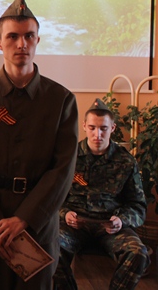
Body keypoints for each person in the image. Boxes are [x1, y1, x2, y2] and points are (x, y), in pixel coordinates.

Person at [0, 0, 79, 289]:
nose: (21, 44)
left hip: (37, 222)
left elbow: (63, 170)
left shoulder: (61, 99)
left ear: (37, 40)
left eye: (28, 36)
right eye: (12, 36)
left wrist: (24, 219)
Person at [53, 98, 150, 290]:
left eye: (103, 128)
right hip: (74, 225)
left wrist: (121, 220)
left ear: (112, 128)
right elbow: (53, 199)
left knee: (138, 253)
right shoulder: (68, 157)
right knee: (50, 248)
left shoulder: (125, 161)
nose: (97, 134)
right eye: (92, 128)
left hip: (111, 227)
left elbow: (138, 206)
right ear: (84, 126)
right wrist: (65, 213)